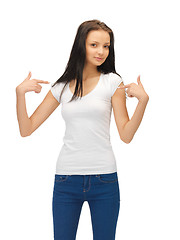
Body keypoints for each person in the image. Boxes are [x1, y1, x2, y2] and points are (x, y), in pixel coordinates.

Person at [16, 19, 149, 240]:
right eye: (94, 45)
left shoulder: (113, 82)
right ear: (81, 45)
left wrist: (143, 101)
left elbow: (125, 135)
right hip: (66, 179)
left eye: (106, 46)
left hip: (104, 179)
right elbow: (26, 129)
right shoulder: (61, 87)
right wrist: (20, 95)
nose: (101, 51)